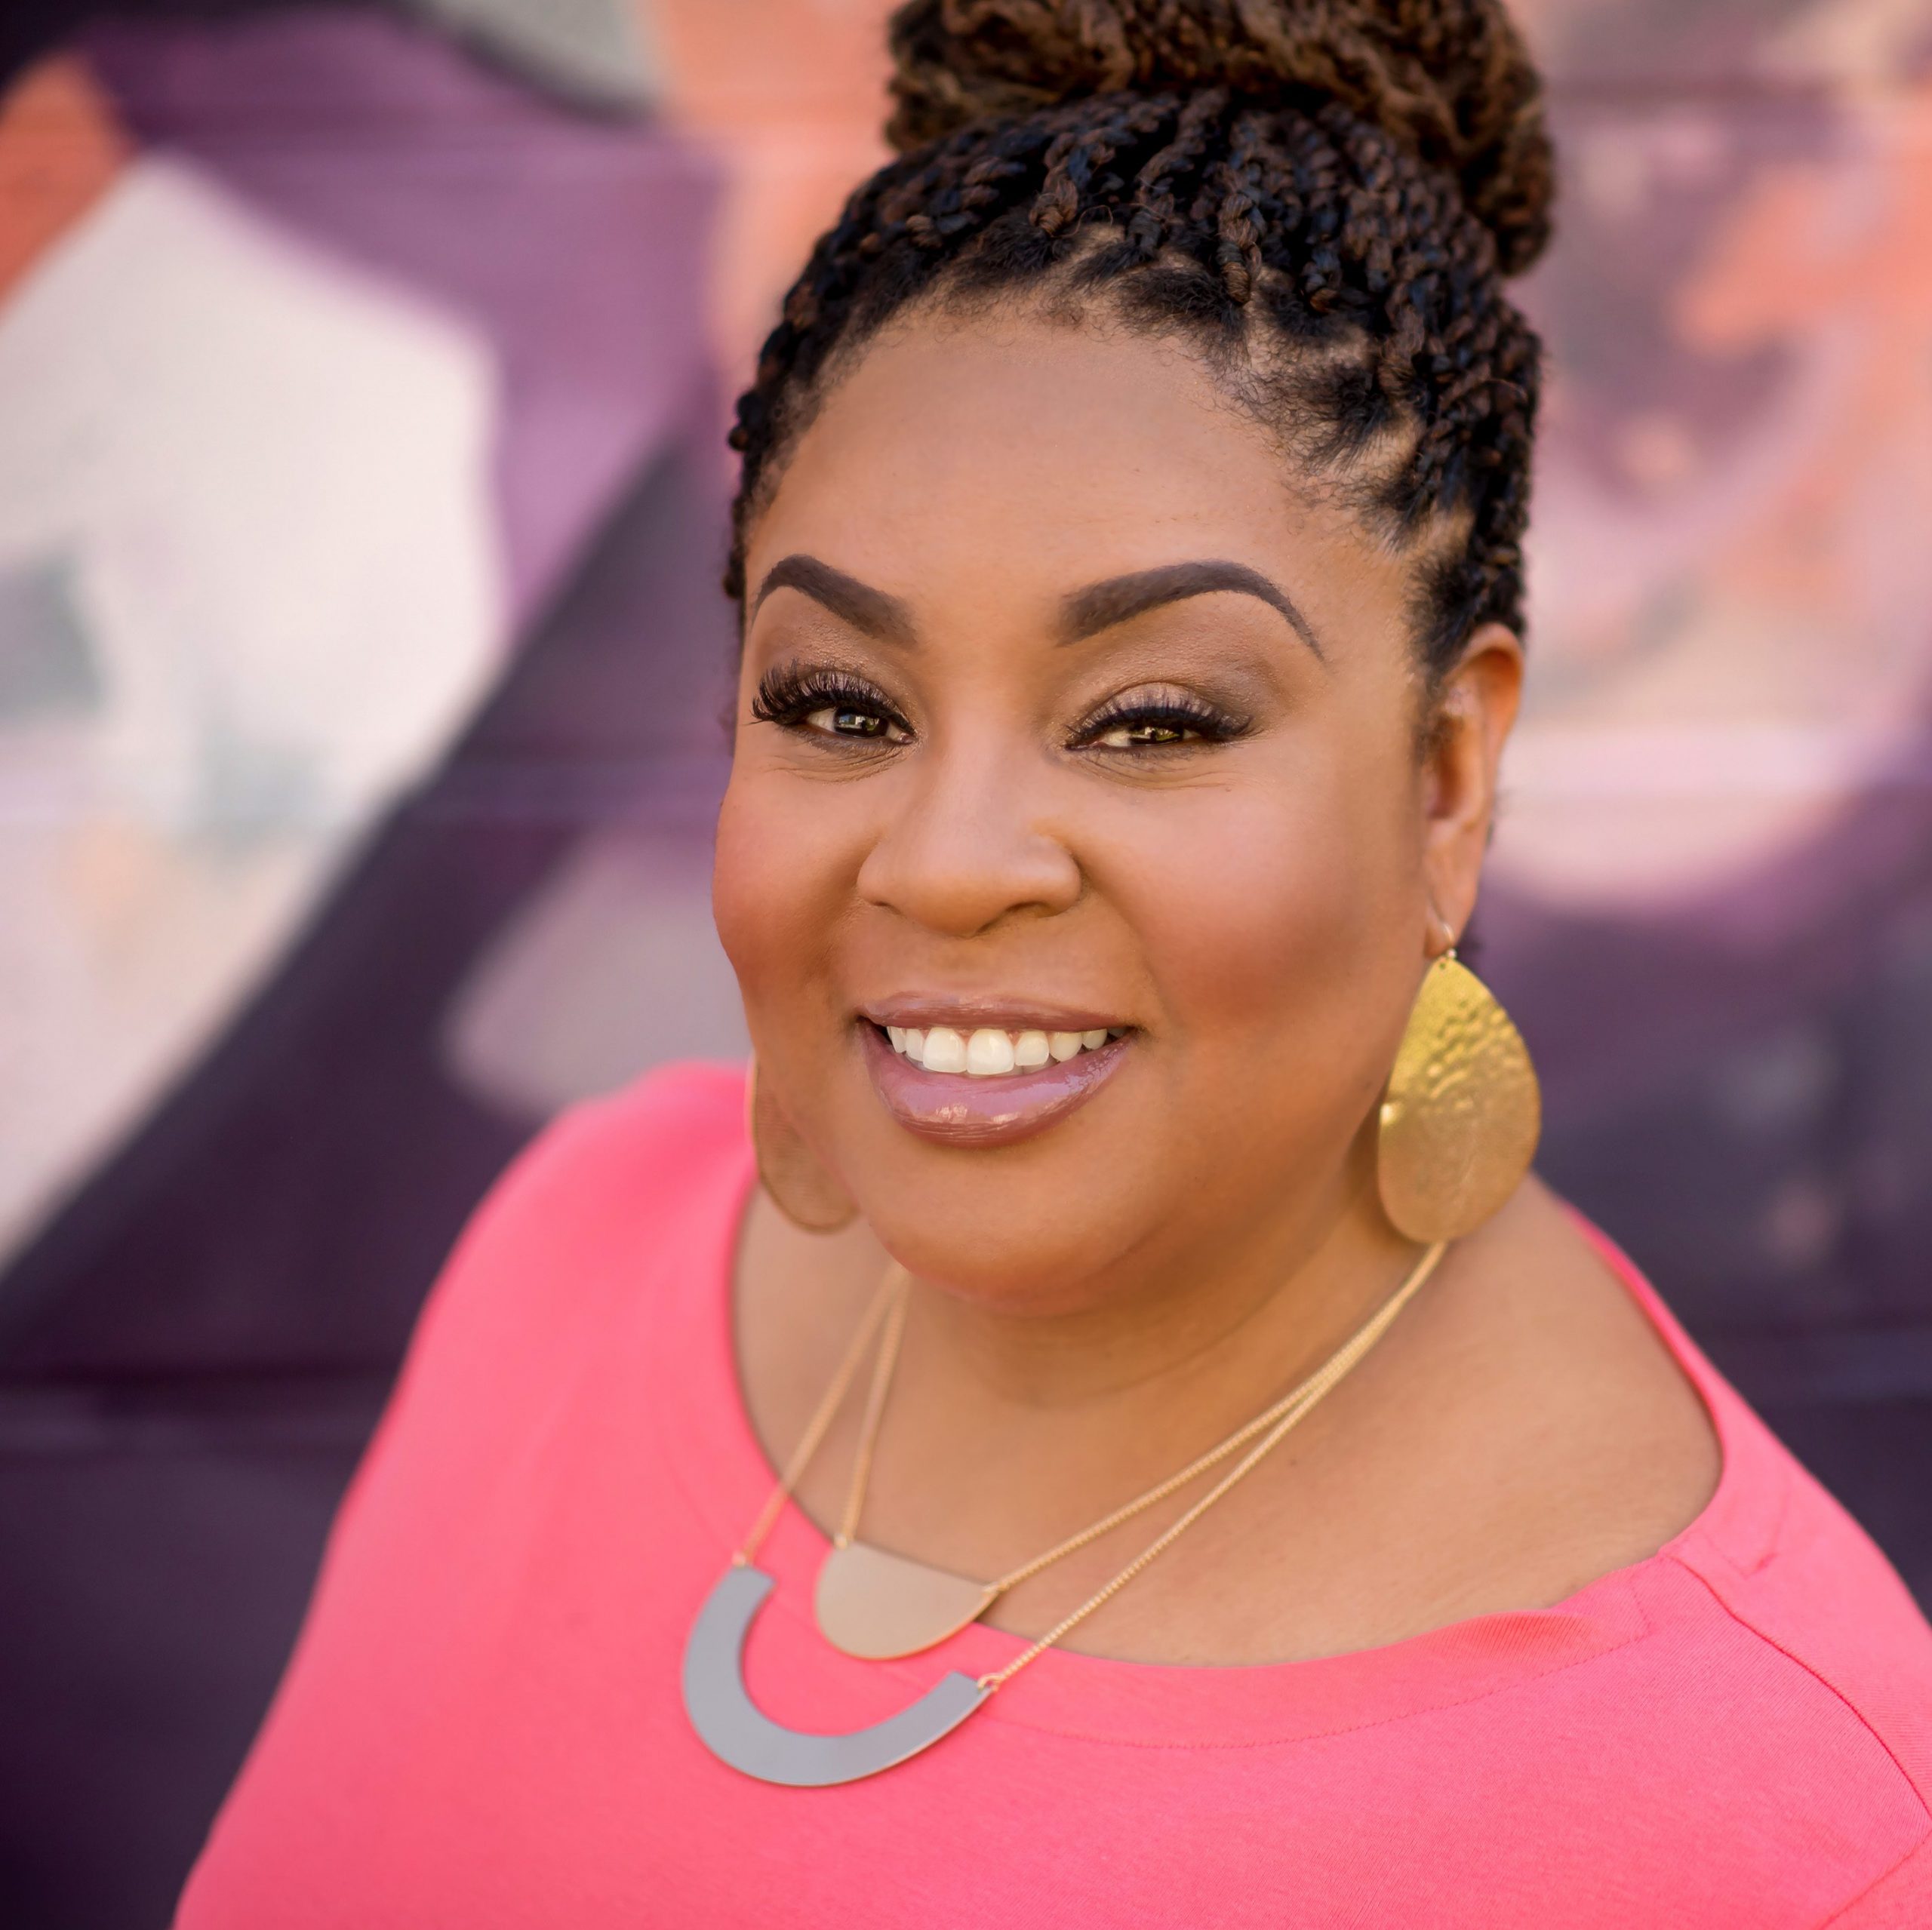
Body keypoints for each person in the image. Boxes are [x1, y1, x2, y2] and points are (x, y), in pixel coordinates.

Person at [175, 2, 1932, 1922]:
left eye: (1152, 719)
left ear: (1442, 779)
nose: (944, 860)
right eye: (839, 704)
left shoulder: (1765, 1824)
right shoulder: (574, 1247)